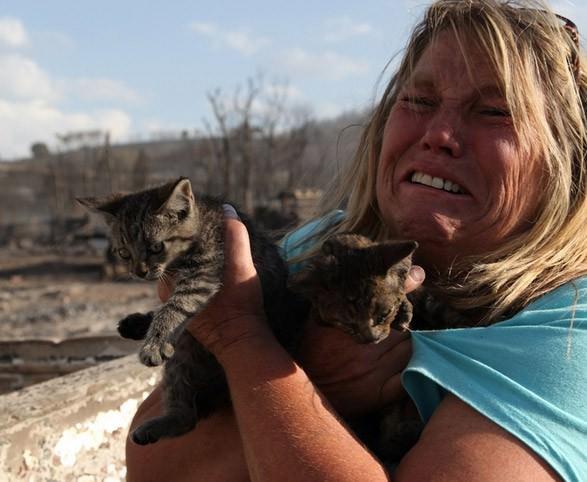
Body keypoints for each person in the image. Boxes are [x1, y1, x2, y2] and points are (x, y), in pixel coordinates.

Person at [126, 1, 587, 480]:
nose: (439, 134)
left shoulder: (572, 328)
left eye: (494, 111)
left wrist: (243, 343)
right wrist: (319, 382)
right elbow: (153, 464)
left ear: (567, 165)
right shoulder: (318, 247)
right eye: (419, 101)